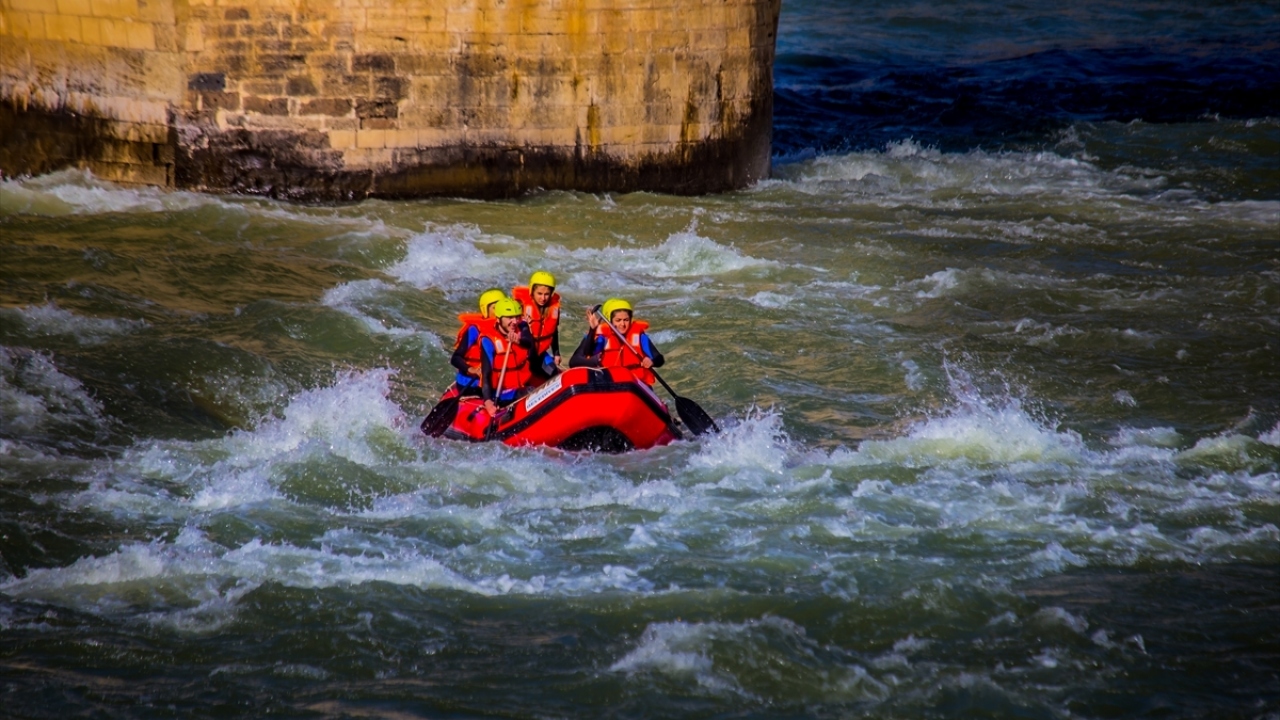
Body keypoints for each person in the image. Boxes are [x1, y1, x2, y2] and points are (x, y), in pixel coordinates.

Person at [478, 298, 549, 416]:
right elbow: (486, 374)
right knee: (529, 392)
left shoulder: (522, 327)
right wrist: (488, 402)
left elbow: (528, 342)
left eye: (517, 317)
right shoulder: (488, 340)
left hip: (522, 383)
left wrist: (518, 340)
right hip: (502, 392)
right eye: (509, 318)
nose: (514, 321)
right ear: (498, 319)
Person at [568, 297, 664, 385]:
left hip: (635, 383)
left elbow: (659, 359)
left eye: (626, 320)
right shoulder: (603, 337)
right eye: (618, 320)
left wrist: (652, 361)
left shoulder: (639, 337)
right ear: (610, 321)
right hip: (609, 381)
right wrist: (592, 330)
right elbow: (587, 353)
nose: (622, 324)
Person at [449, 288, 507, 397]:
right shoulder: (475, 330)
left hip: (495, 380)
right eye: (495, 308)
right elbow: (455, 358)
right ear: (486, 310)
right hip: (472, 384)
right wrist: (473, 370)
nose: (499, 312)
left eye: (501, 307)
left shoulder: (509, 327)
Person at [511, 270, 561, 373]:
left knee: (554, 373)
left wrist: (556, 353)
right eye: (539, 293)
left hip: (540, 353)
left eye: (547, 294)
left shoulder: (554, 309)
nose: (543, 298)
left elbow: (554, 332)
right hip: (523, 354)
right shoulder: (520, 307)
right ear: (532, 291)